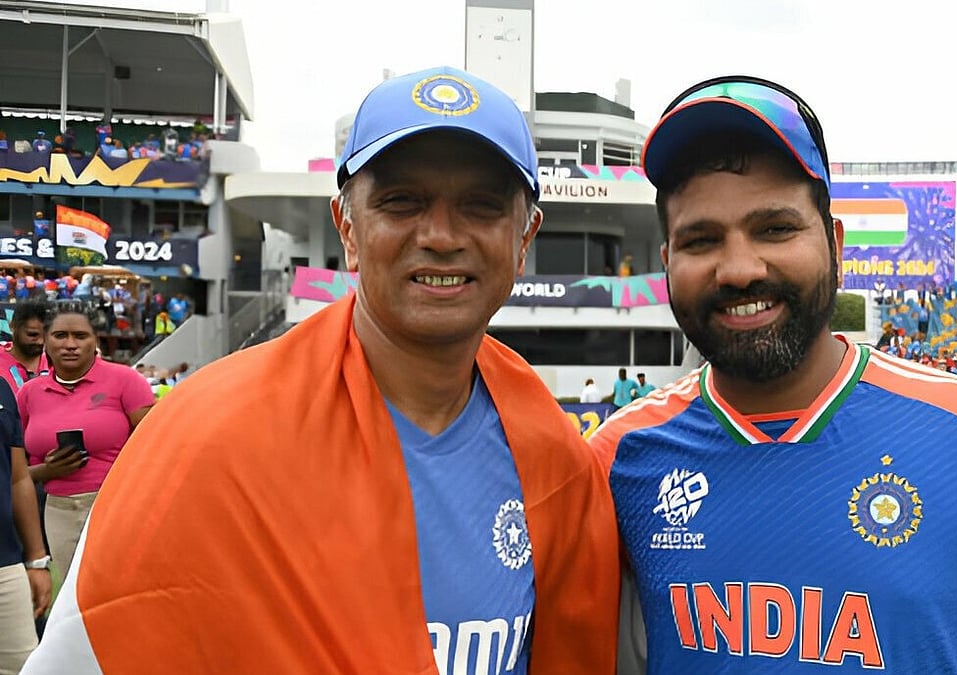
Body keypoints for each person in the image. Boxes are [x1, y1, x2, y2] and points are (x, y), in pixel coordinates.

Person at [23, 66, 619, 674]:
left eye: (482, 206)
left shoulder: (557, 460)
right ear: (348, 228)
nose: (441, 235)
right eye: (402, 202)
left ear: (524, 239)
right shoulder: (206, 439)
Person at [589, 75, 957, 673]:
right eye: (701, 240)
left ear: (834, 245)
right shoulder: (616, 459)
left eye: (775, 229)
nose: (738, 268)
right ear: (668, 263)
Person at [18, 302, 156, 579]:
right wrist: (47, 471)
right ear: (45, 339)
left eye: (80, 336)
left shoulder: (125, 380)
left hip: (116, 505)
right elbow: (14, 469)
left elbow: (157, 445)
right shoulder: (29, 393)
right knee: (76, 601)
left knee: (120, 593)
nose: (70, 344)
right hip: (58, 510)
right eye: (60, 336)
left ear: (96, 340)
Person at [0, 379, 51, 675]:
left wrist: (36, 559)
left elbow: (19, 477)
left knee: (24, 666)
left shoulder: (3, 389)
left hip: (6, 563)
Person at [0, 301, 50, 393]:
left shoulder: (58, 362)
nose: (41, 341)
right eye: (32, 335)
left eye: (46, 335)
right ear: (12, 326)